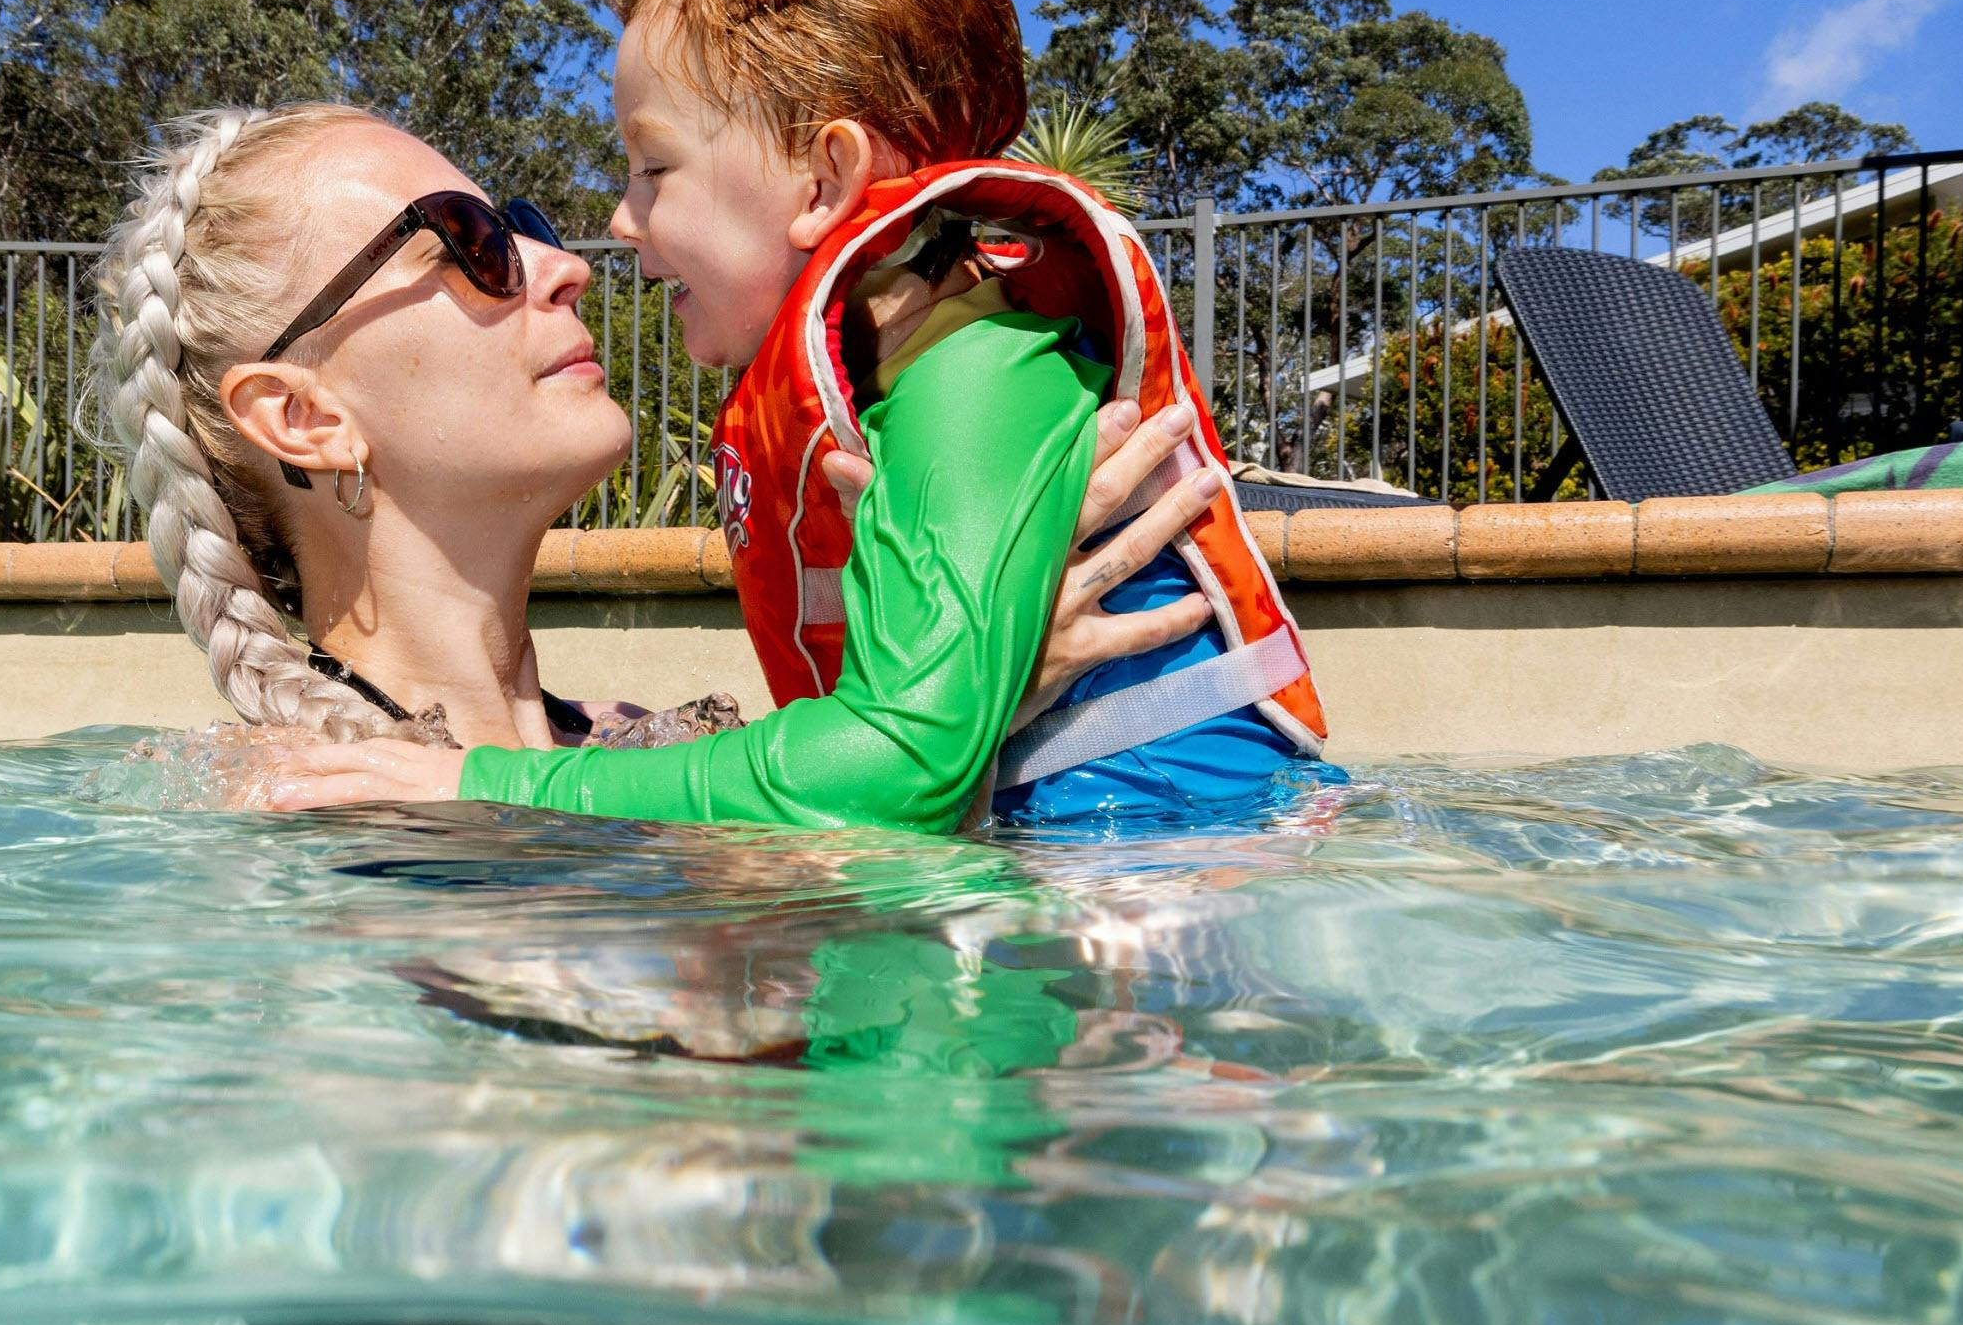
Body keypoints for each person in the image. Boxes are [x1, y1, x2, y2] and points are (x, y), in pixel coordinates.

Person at [276, 0, 1334, 832]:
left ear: (824, 179)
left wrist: (493, 780)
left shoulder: (974, 367)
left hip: (1175, 890)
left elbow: (902, 765)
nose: (623, 224)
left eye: (654, 167)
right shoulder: (905, 377)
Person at [97, 101, 1217, 809]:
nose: (563, 261)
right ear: (303, 417)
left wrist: (970, 689)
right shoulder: (268, 803)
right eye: (473, 241)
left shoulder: (688, 749)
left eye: (524, 219)